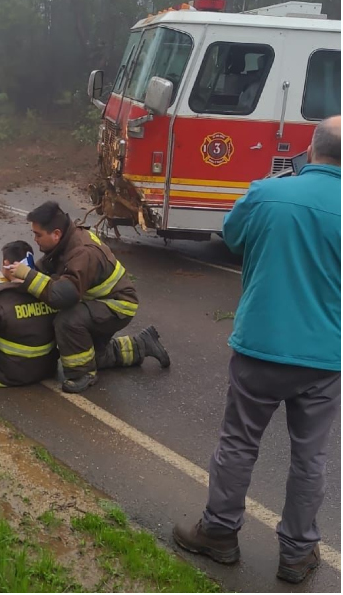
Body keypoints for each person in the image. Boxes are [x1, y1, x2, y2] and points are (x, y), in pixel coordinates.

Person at [172, 116, 340, 584]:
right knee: (311, 457)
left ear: (311, 148)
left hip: (260, 348)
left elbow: (232, 235)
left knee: (239, 442)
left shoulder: (266, 192)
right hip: (325, 359)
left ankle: (220, 534)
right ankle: (297, 554)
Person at [0, 241, 165, 388]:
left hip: (9, 374)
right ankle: (141, 345)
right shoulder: (52, 290)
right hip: (48, 368)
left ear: (6, 267)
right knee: (87, 348)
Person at [5, 201, 169, 393]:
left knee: (67, 321)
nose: (35, 240)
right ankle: (143, 344)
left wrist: (28, 276)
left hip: (119, 305)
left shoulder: (82, 252)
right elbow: (48, 269)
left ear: (56, 233)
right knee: (93, 355)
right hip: (100, 300)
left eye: (38, 234)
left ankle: (82, 374)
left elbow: (63, 297)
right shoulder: (66, 240)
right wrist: (19, 278)